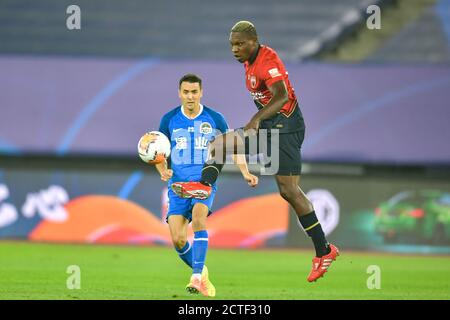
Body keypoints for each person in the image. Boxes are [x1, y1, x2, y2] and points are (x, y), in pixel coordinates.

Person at [171, 22, 339, 283]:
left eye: (240, 44)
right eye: (232, 45)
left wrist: (256, 118)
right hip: (271, 128)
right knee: (219, 145)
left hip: (286, 129)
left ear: (254, 41)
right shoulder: (249, 63)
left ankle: (324, 251)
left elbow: (281, 96)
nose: (235, 50)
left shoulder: (267, 60)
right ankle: (204, 186)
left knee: (290, 191)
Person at [156, 73, 258, 297]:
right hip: (178, 187)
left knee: (199, 220)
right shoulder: (169, 120)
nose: (190, 96)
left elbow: (231, 146)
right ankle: (201, 270)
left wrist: (245, 171)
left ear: (201, 93)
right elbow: (158, 151)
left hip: (204, 183)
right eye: (186, 92)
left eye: (194, 92)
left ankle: (195, 277)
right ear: (179, 93)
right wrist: (163, 170)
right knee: (178, 239)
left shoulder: (215, 118)